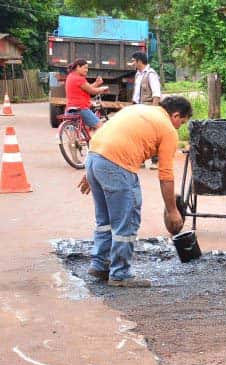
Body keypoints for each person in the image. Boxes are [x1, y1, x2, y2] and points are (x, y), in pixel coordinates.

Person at [77, 96, 193, 287]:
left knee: (105, 219)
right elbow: (166, 175)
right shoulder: (167, 129)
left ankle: (100, 265)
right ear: (176, 115)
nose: (179, 127)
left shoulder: (137, 109)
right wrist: (172, 211)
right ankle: (120, 274)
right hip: (116, 164)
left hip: (94, 157)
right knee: (127, 219)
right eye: (182, 122)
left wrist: (93, 171)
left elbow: (105, 133)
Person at [129, 51, 163, 169]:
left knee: (151, 136)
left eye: (133, 61)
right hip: (138, 108)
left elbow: (156, 94)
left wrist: (154, 111)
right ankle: (142, 159)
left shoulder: (151, 74)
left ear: (139, 61)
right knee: (139, 135)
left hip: (148, 108)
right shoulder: (138, 74)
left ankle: (155, 161)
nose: (132, 63)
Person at [64, 59, 108, 131]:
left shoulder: (70, 76)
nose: (87, 70)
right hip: (81, 108)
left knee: (85, 128)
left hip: (70, 108)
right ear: (78, 67)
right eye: (85, 68)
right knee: (101, 127)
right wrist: (102, 89)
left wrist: (96, 83)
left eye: (87, 68)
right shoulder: (79, 79)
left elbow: (87, 88)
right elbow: (92, 91)